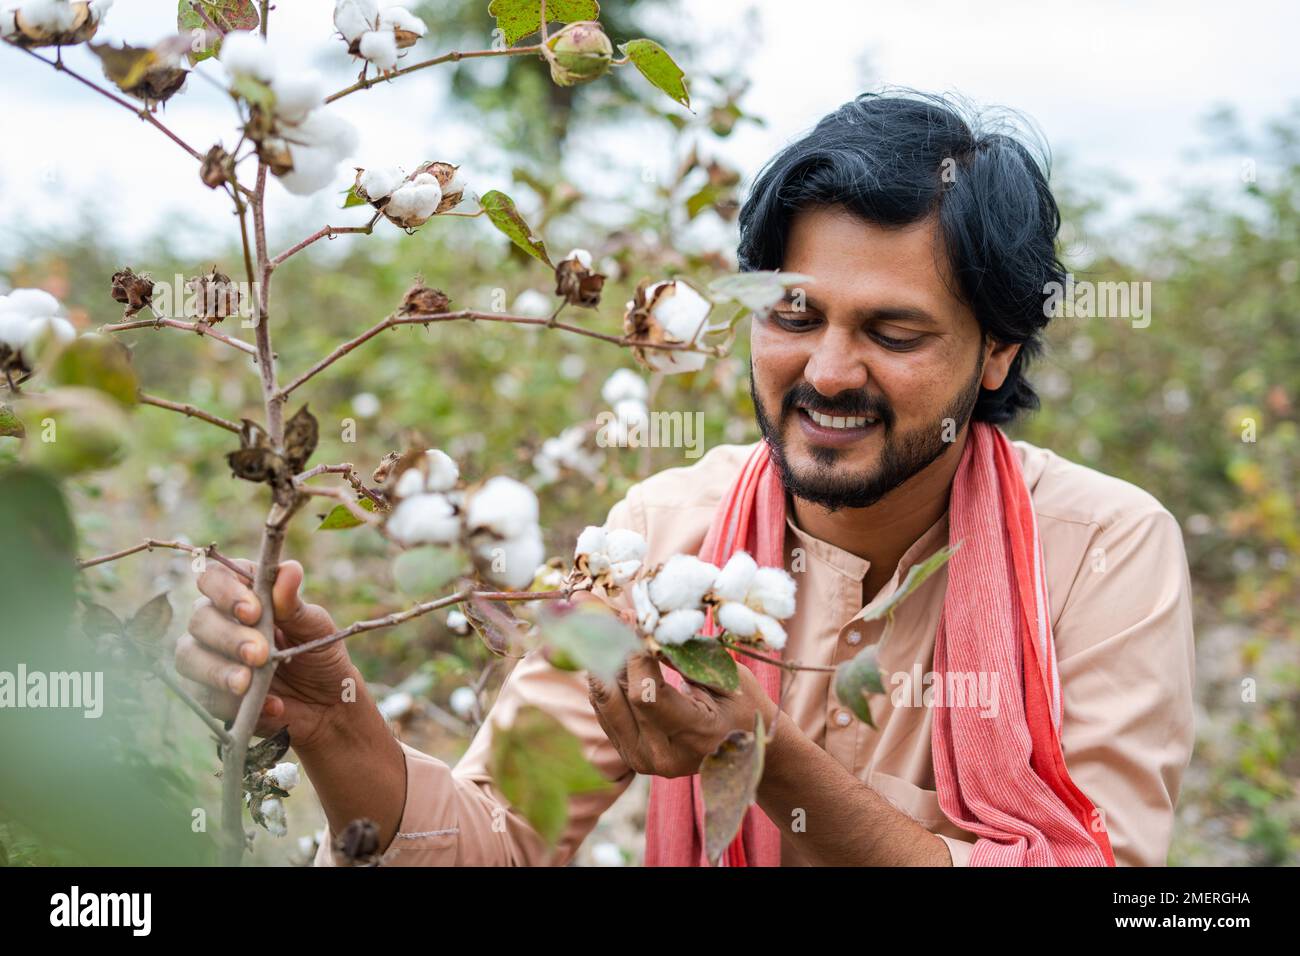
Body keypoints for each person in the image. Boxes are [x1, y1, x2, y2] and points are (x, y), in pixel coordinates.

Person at [176, 92, 1196, 867]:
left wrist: (762, 753)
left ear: (997, 353)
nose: (829, 371)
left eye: (892, 332)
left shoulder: (1102, 548)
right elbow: (499, 838)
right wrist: (335, 712)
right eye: (792, 317)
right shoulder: (667, 531)